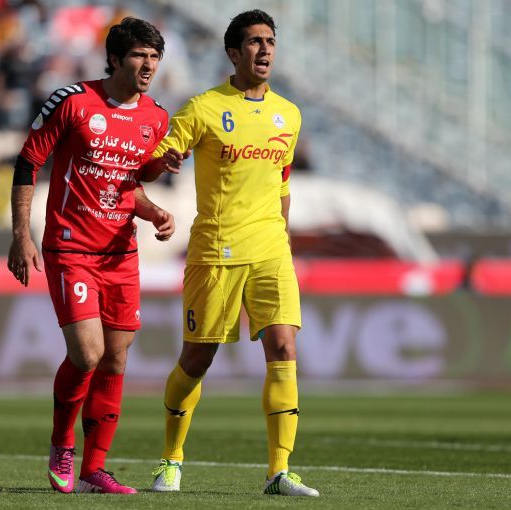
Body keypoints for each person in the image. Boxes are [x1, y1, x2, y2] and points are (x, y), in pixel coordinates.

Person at [143, 9, 319, 497]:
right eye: (255, 42)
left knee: (283, 348)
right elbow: (154, 158)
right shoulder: (203, 108)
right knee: (197, 359)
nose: (265, 50)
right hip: (216, 250)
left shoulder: (289, 114)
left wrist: (282, 238)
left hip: (271, 250)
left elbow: (282, 184)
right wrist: (165, 159)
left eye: (270, 42)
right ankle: (171, 460)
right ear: (233, 53)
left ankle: (278, 472)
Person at [6, 17, 174, 495]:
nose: (149, 65)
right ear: (115, 59)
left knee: (115, 361)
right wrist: (20, 234)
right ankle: (62, 442)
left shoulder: (156, 117)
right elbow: (28, 161)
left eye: (155, 56)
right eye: (139, 55)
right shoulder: (73, 101)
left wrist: (155, 210)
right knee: (87, 353)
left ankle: (94, 470)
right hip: (70, 246)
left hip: (121, 253)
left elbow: (130, 184)